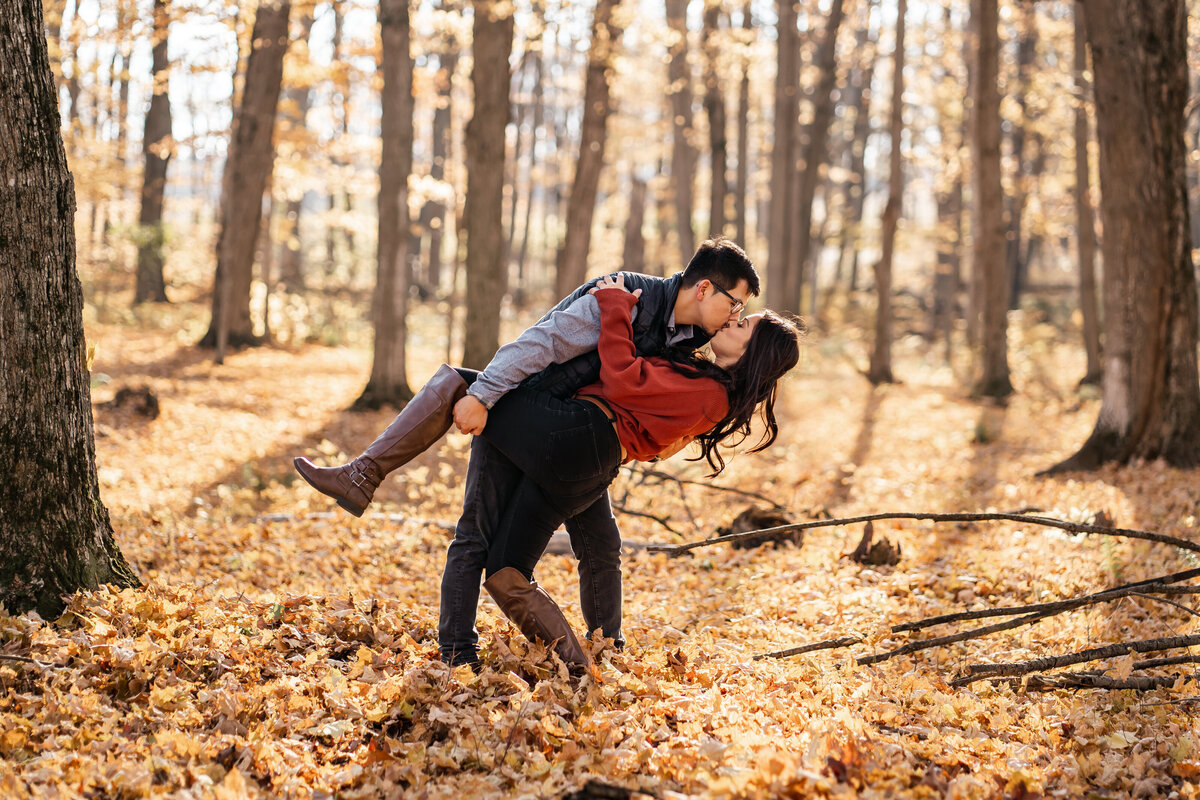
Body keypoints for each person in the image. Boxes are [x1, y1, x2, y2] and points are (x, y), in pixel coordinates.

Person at [295, 237, 761, 665]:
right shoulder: (624, 297)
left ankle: (606, 651)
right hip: (526, 405)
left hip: (580, 435)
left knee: (600, 546)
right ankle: (457, 651)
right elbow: (545, 340)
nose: (735, 315)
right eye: (734, 303)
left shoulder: (693, 339)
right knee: (477, 531)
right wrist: (486, 395)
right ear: (704, 289)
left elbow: (656, 397)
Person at [474, 274, 800, 672]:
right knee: (600, 549)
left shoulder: (712, 395)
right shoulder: (707, 376)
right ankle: (606, 652)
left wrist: (615, 306)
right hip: (591, 453)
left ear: (755, 352)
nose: (734, 320)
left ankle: (578, 666)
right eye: (737, 314)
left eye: (743, 324)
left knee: (511, 567)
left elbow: (625, 377)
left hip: (583, 445)